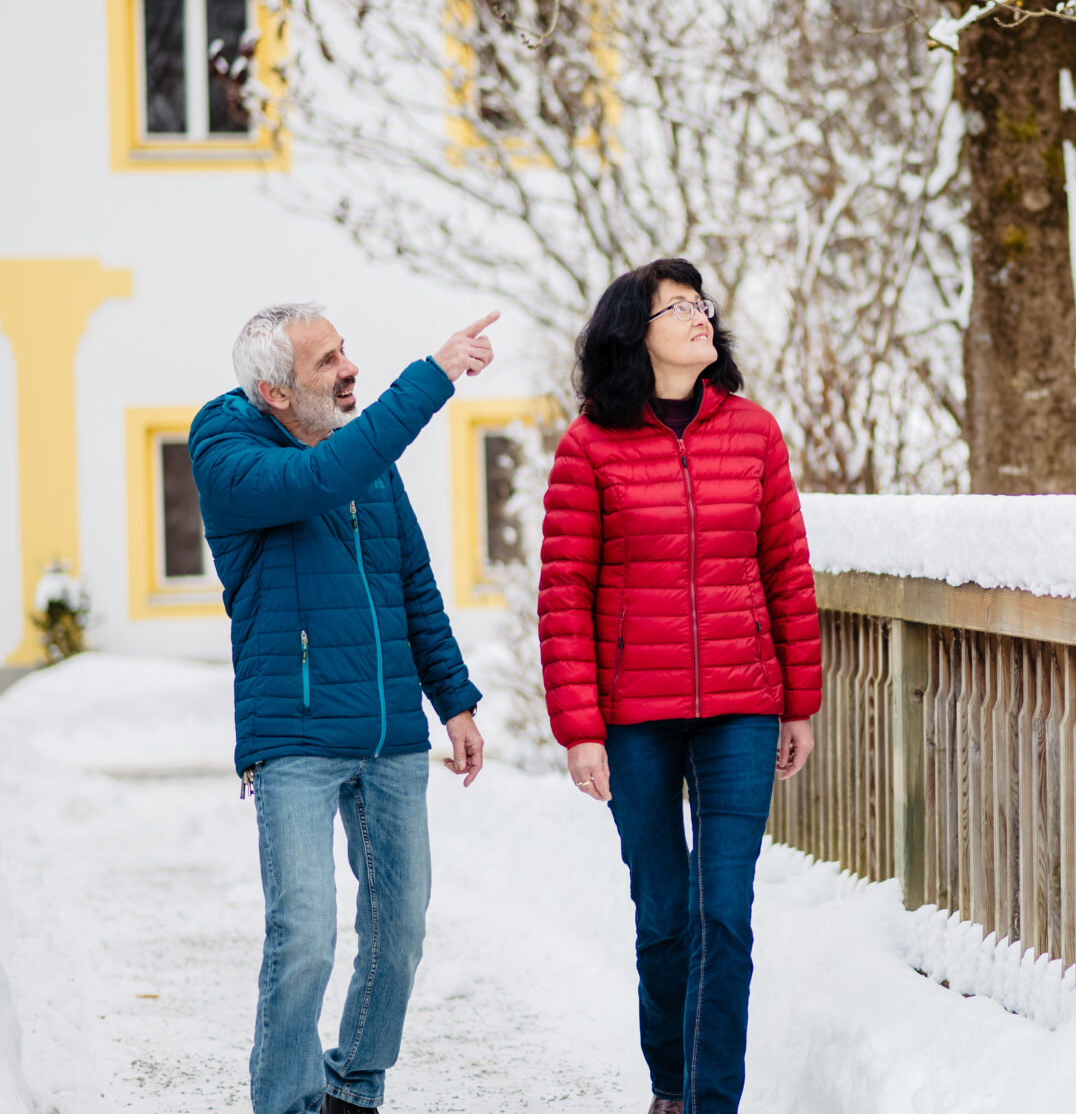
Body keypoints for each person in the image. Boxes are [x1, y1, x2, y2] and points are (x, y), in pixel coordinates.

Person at [189, 302, 499, 1114]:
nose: (348, 367)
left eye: (343, 351)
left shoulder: (365, 461)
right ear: (276, 393)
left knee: (400, 932)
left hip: (391, 729)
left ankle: (354, 1086)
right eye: (326, 362)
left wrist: (455, 701)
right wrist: (433, 377)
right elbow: (319, 480)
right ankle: (287, 1102)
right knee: (305, 940)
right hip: (292, 733)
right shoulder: (227, 450)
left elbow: (414, 585)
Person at [539, 258, 821, 1114]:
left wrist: (799, 701)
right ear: (636, 334)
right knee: (664, 914)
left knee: (723, 912)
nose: (700, 316)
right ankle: (670, 1084)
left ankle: (709, 1102)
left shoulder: (754, 433)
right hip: (636, 719)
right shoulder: (589, 445)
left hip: (741, 705)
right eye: (677, 307)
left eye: (702, 304)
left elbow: (787, 572)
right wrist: (580, 728)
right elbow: (563, 595)